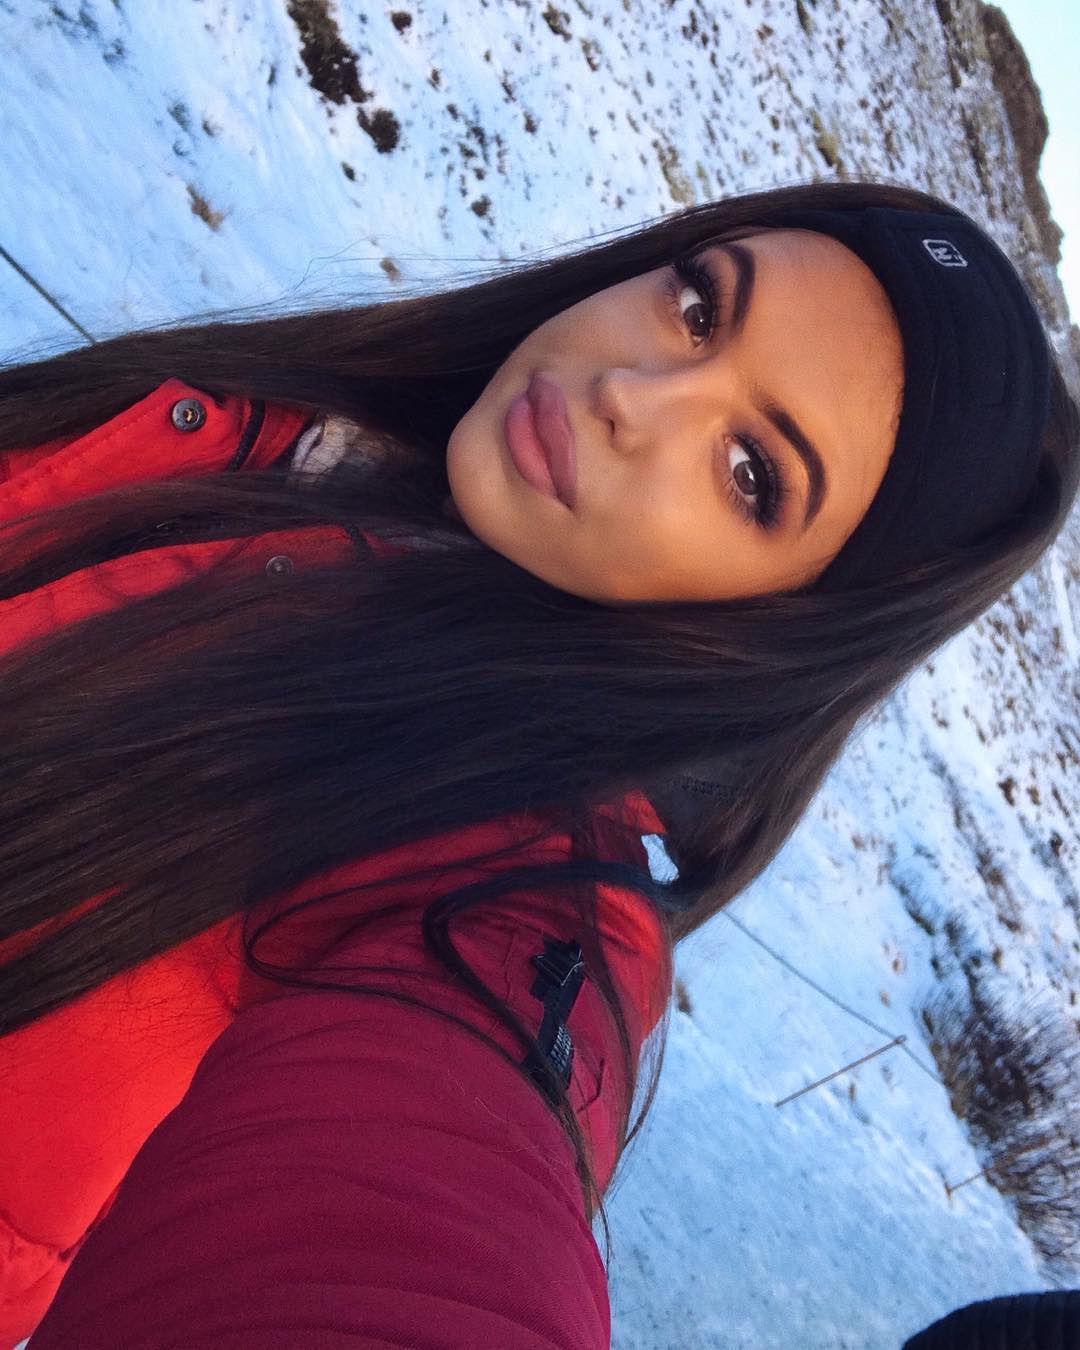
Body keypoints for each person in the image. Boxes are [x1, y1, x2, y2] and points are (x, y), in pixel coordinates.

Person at [0, 179, 1076, 1348]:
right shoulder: (273, 430)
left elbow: (431, 1188)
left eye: (750, 472)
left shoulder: (512, 879)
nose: (631, 394)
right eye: (699, 309)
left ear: (788, 620)